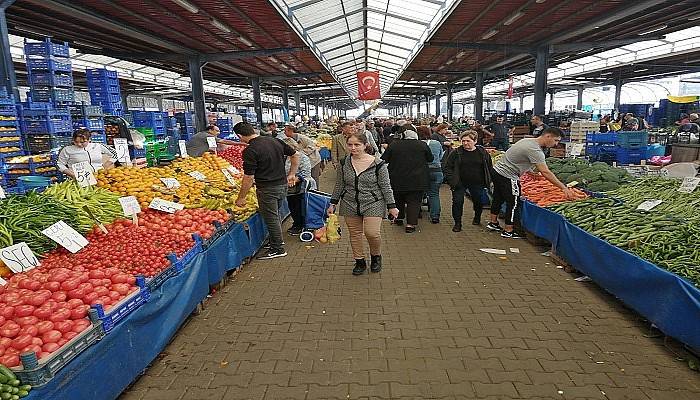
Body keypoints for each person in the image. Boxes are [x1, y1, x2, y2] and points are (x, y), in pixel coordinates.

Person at [328, 132, 398, 275]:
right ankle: (359, 261)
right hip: (349, 202)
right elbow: (339, 184)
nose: (353, 148)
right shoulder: (344, 163)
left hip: (373, 202)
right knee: (355, 234)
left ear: (365, 145)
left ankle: (376, 256)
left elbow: (386, 186)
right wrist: (333, 203)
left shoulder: (379, 164)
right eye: (350, 145)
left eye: (357, 145)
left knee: (372, 233)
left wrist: (392, 206)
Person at [488, 127, 574, 238]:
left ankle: (493, 223)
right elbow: (545, 171)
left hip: (497, 171)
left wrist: (530, 171)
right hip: (508, 176)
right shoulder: (535, 150)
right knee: (513, 203)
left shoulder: (528, 141)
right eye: (556, 140)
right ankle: (508, 230)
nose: (556, 144)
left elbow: (520, 158)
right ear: (548, 136)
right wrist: (563, 188)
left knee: (498, 198)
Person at [233, 122, 300, 259]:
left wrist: (241, 197)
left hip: (267, 189)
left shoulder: (250, 150)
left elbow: (248, 177)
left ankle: (278, 248)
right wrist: (292, 173)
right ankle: (275, 241)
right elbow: (295, 154)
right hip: (282, 185)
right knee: (275, 216)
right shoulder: (274, 140)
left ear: (240, 136)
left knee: (272, 218)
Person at [380, 124, 433, 233]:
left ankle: (399, 218)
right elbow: (430, 159)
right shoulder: (422, 145)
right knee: (414, 202)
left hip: (397, 178)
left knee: (398, 198)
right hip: (418, 179)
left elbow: (384, 159)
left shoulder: (394, 145)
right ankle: (410, 225)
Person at [443, 131, 493, 232]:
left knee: (478, 201)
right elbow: (447, 167)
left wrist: (489, 179)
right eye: (463, 141)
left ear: (475, 141)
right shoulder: (456, 152)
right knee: (457, 202)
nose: (465, 143)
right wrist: (452, 180)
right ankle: (457, 223)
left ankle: (477, 216)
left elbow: (489, 166)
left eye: (468, 141)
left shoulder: (482, 152)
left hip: (477, 182)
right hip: (459, 182)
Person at [283, 140, 315, 236]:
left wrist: (294, 179)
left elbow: (306, 173)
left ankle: (302, 224)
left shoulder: (302, 157)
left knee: (300, 206)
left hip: (302, 187)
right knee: (292, 206)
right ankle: (297, 223)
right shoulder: (284, 158)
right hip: (289, 187)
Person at [418, 125, 444, 224]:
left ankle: (417, 212)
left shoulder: (417, 144)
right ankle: (435, 216)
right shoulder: (436, 143)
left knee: (418, 192)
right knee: (434, 194)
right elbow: (441, 156)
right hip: (437, 171)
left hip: (422, 172)